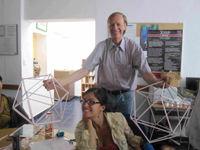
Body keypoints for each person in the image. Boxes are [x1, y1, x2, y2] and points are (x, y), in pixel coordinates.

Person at [43, 12, 172, 114]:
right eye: (111, 25)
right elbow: (84, 70)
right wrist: (58, 83)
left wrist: (158, 83)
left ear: (125, 26)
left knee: (124, 132)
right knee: (104, 131)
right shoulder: (102, 47)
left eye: (118, 24)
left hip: (126, 98)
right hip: (104, 97)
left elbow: (146, 73)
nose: (115, 28)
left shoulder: (134, 48)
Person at [75, 87, 142, 150]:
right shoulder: (80, 127)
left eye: (91, 102)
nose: (85, 105)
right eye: (84, 101)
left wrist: (141, 145)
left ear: (102, 108)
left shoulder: (118, 118)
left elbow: (132, 139)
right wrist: (88, 123)